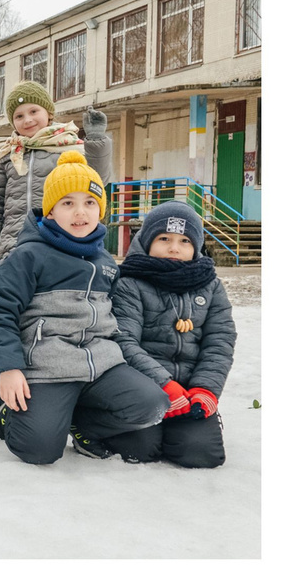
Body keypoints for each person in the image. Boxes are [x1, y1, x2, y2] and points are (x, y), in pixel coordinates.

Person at [0, 151, 169, 464]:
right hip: (46, 368)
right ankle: (13, 418)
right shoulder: (28, 256)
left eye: (89, 202)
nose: (79, 212)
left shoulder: (106, 262)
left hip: (101, 365)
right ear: (51, 211)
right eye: (68, 203)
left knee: (153, 406)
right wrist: (8, 367)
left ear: (100, 209)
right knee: (39, 450)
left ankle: (81, 424)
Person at [104, 200, 237, 467]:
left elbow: (219, 340)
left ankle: (200, 421)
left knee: (200, 454)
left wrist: (205, 389)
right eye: (164, 238)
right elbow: (124, 341)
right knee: (139, 450)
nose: (174, 247)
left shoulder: (210, 285)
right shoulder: (130, 283)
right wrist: (163, 384)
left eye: (185, 241)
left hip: (191, 388)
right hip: (146, 388)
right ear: (147, 240)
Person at [0, 84, 114, 264]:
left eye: (33, 111)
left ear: (48, 112)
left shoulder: (68, 146)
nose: (27, 120)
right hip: (14, 246)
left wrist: (96, 141)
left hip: (61, 242)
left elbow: (97, 181)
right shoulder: (9, 156)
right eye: (19, 116)